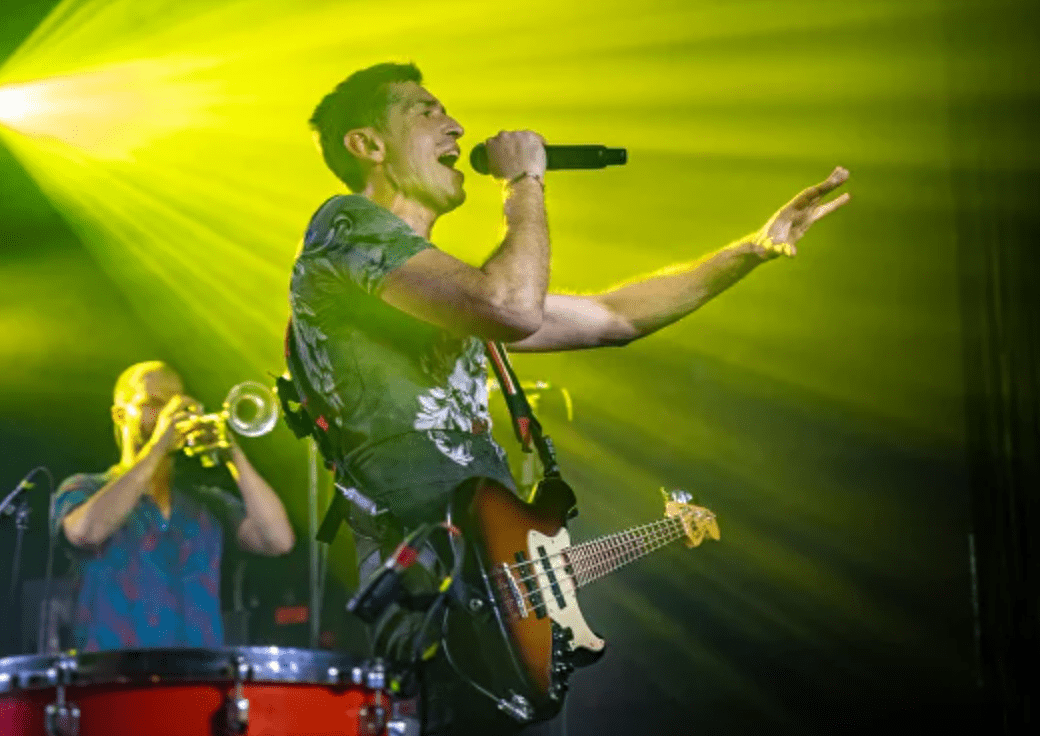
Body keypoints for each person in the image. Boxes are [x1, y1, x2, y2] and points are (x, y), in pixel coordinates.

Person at [289, 62, 850, 733]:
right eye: (425, 111)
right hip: (432, 589)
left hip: (499, 585)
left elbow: (615, 317)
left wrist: (751, 250)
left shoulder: (448, 292)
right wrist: (523, 183)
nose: (456, 126)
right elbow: (512, 306)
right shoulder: (345, 225)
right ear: (367, 144)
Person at [53, 361, 295, 651]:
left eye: (176, 404)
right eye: (154, 403)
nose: (171, 414)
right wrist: (158, 445)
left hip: (195, 674)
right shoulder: (84, 487)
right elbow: (85, 532)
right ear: (120, 414)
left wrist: (232, 453)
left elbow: (278, 541)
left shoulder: (207, 502)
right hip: (111, 673)